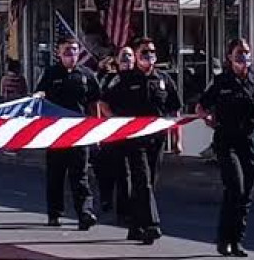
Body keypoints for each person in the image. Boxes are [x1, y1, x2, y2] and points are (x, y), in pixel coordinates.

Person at [100, 37, 182, 244]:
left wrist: (177, 139)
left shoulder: (163, 79)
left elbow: (175, 108)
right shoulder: (125, 79)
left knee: (147, 183)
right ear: (136, 56)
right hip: (134, 140)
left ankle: (136, 226)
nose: (149, 56)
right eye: (144, 52)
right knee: (142, 180)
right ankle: (152, 224)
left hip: (157, 139)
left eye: (152, 52)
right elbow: (104, 102)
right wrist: (116, 124)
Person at [197, 38, 254, 258]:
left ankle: (236, 240)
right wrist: (206, 117)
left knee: (245, 195)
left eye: (246, 52)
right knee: (235, 188)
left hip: (250, 142)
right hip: (227, 141)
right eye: (239, 53)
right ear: (229, 56)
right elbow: (201, 106)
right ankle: (223, 239)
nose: (243, 57)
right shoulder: (221, 82)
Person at [35, 37, 103, 230]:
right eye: (66, 50)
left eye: (74, 50)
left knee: (80, 174)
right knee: (56, 174)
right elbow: (39, 99)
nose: (71, 54)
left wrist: (96, 131)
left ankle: (84, 213)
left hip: (79, 132)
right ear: (58, 53)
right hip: (55, 132)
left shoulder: (87, 75)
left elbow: (93, 104)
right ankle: (54, 213)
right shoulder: (50, 74)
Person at [91, 49, 133, 222]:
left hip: (130, 131)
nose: (126, 59)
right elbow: (99, 101)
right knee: (104, 169)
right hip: (109, 130)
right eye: (123, 55)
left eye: (129, 55)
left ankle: (125, 210)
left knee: (125, 171)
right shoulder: (109, 79)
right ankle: (106, 197)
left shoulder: (138, 78)